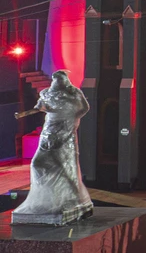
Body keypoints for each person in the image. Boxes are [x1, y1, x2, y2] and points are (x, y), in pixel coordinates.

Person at [12, 70, 93, 225]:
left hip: (64, 132)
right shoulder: (46, 93)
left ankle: (73, 200)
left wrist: (71, 119)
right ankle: (47, 200)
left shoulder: (74, 93)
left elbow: (84, 108)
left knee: (63, 167)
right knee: (37, 164)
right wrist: (24, 114)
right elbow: (40, 107)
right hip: (49, 131)